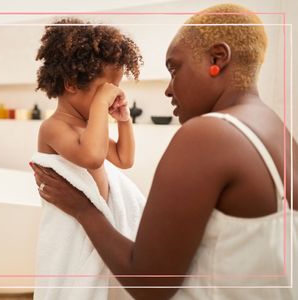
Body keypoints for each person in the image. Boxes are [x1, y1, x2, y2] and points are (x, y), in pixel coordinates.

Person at [31, 4, 298, 300]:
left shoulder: (209, 135)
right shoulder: (278, 132)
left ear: (217, 59)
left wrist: (84, 209)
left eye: (175, 67)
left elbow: (150, 284)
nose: (168, 89)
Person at [35, 17, 143, 201]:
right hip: (72, 227)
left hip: (94, 223)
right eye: (105, 89)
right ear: (71, 84)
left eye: (115, 87)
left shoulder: (89, 130)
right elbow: (93, 158)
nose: (112, 95)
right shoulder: (52, 128)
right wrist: (101, 103)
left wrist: (124, 121)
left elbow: (124, 160)